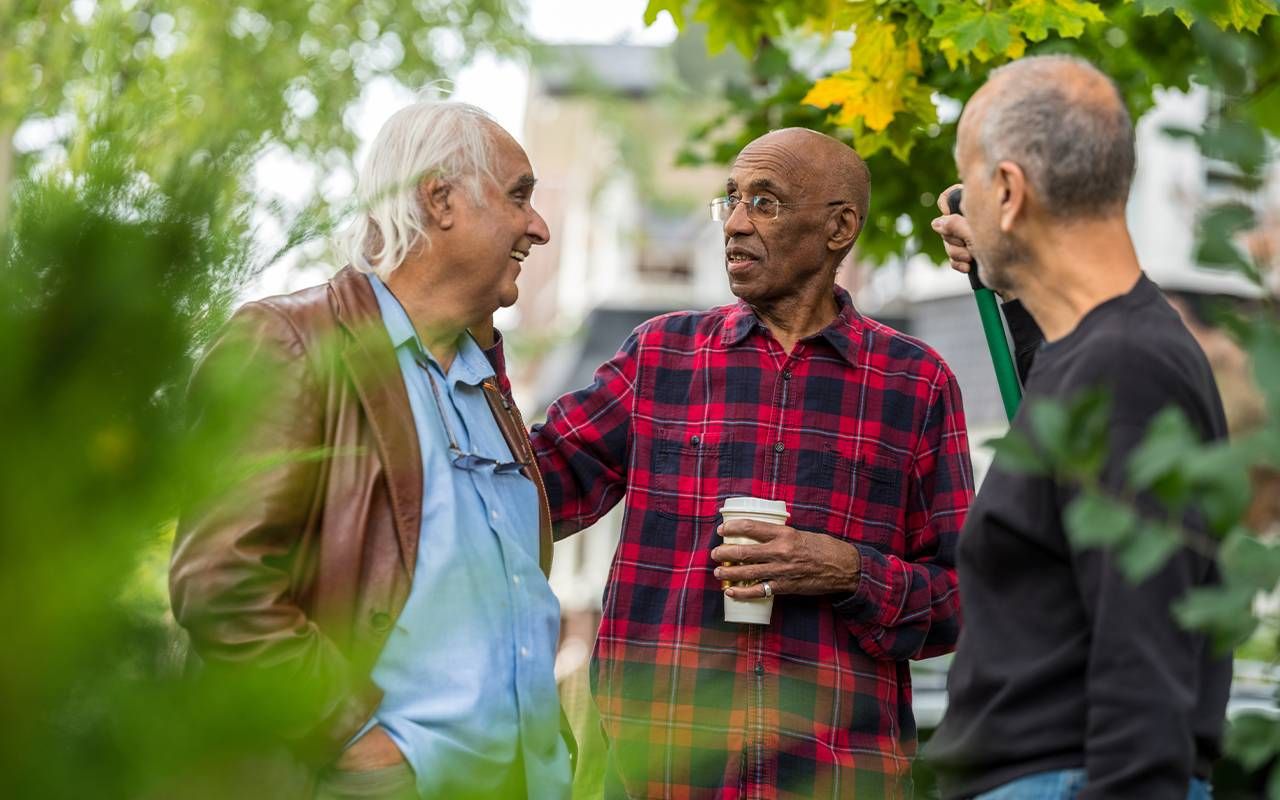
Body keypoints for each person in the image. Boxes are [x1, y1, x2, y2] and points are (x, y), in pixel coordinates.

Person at [504, 127, 974, 797]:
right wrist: (466, 340)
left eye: (766, 202)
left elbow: (964, 599)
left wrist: (847, 570)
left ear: (839, 227)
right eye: (731, 200)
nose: (736, 223)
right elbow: (525, 494)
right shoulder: (661, 356)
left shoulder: (915, 383)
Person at [169, 101, 573, 799]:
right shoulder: (293, 343)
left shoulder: (488, 387)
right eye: (519, 196)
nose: (537, 226)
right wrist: (349, 737)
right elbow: (221, 581)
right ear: (439, 199)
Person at [922, 55, 1231, 799]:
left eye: (970, 187)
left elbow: (1145, 659)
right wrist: (1010, 275)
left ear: (1009, 190)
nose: (957, 211)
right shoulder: (1107, 353)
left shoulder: (1127, 369)